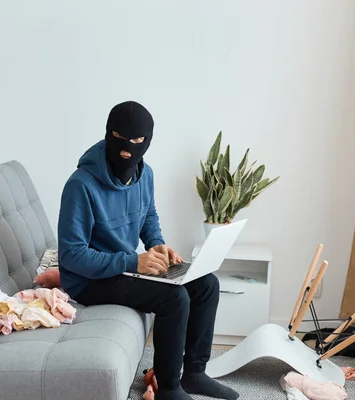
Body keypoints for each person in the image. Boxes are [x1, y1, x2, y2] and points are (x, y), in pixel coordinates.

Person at [58, 101, 239, 400]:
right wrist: (134, 261)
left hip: (126, 266)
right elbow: (72, 256)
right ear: (108, 135)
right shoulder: (81, 185)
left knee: (207, 284)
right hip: (88, 281)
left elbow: (148, 217)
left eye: (138, 141)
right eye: (119, 138)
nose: (128, 149)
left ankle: (194, 373)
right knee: (174, 298)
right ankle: (169, 388)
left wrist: (156, 244)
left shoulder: (146, 175)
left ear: (148, 141)